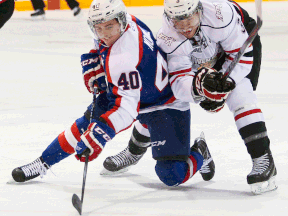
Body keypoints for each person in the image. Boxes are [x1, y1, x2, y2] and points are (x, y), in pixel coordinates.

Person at [11, 0, 220, 188]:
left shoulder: (123, 57)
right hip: (139, 92)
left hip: (164, 103)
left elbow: (126, 110)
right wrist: (94, 60)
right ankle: (43, 162)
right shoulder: (126, 20)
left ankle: (200, 152)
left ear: (120, 20)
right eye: (98, 28)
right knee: (86, 122)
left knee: (171, 174)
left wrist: (99, 135)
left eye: (109, 27)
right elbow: (101, 42)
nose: (104, 34)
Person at [101, 0, 277, 195]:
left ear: (199, 10)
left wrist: (224, 86)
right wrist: (200, 89)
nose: (185, 27)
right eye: (178, 21)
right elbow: (178, 82)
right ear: (169, 18)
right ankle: (134, 150)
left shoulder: (222, 14)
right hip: (200, 65)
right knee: (162, 100)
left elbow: (242, 58)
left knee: (241, 94)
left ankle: (263, 159)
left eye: (189, 19)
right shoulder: (168, 37)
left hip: (233, 54)